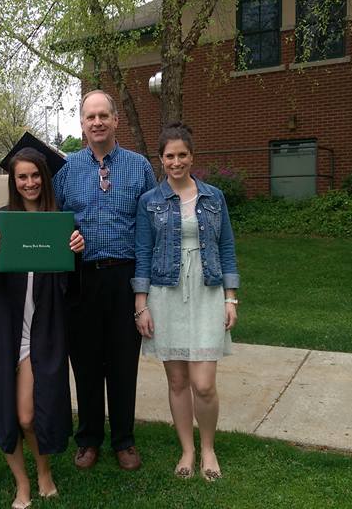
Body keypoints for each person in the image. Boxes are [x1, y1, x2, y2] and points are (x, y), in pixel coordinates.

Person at [0, 147, 84, 509]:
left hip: (37, 332)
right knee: (4, 411)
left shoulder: (62, 224)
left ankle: (44, 472)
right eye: (21, 177)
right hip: (0, 331)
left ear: (45, 178)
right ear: (13, 182)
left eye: (35, 175)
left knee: (28, 415)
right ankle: (23, 483)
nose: (29, 183)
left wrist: (76, 255)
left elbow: (71, 292)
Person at [54, 90, 157, 471]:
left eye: (103, 115)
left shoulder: (139, 167)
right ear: (81, 125)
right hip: (81, 278)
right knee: (84, 360)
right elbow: (52, 221)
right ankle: (89, 438)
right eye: (89, 117)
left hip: (123, 277)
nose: (97, 122)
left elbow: (148, 231)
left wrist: (142, 289)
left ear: (116, 120)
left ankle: (124, 439)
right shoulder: (67, 170)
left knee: (122, 360)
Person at [131, 123, 239, 482]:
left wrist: (230, 298)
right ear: (161, 160)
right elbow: (142, 254)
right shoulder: (150, 201)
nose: (175, 161)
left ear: (192, 156)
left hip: (206, 289)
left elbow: (226, 248)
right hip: (166, 293)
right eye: (169, 156)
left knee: (203, 383)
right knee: (177, 381)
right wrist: (141, 305)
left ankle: (208, 448)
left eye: (182, 155)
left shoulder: (214, 197)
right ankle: (187, 450)